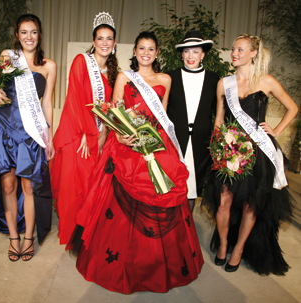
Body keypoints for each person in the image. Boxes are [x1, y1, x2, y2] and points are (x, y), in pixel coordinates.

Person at [74, 31, 204, 294]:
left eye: (151, 49)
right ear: (134, 51)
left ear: (157, 53)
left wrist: (162, 146)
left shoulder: (165, 79)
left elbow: (163, 117)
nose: (146, 52)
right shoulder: (124, 76)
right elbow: (115, 110)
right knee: (122, 205)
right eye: (141, 48)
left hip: (157, 144)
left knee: (162, 193)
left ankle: (158, 265)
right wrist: (122, 137)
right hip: (128, 144)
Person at [201, 33, 298, 275]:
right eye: (233, 49)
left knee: (250, 206)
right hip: (231, 149)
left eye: (240, 50)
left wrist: (275, 130)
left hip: (258, 152)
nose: (234, 53)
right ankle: (224, 243)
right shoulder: (224, 83)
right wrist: (218, 146)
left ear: (254, 53)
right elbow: (220, 120)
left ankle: (239, 249)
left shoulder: (266, 81)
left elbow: (292, 108)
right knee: (223, 204)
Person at [0, 14, 57, 261]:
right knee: (8, 185)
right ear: (17, 35)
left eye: (33, 32)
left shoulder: (49, 65)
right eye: (23, 32)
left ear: (39, 35)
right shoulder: (7, 57)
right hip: (4, 129)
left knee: (28, 185)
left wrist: (48, 138)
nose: (28, 37)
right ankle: (13, 237)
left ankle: (28, 236)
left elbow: (48, 104)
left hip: (30, 133)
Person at [51, 12, 119, 248]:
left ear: (114, 44)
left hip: (97, 136)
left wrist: (102, 135)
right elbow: (74, 100)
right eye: (100, 38)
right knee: (73, 185)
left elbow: (109, 111)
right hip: (77, 134)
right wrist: (85, 133)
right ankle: (71, 232)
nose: (104, 43)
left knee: (90, 185)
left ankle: (85, 231)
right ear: (93, 41)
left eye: (109, 38)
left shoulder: (112, 75)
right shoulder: (82, 61)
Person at [167, 31, 219, 211]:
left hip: (200, 143)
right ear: (181, 54)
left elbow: (218, 113)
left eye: (195, 51)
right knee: (172, 186)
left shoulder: (214, 80)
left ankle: (187, 229)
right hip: (174, 142)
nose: (191, 56)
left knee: (192, 188)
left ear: (203, 54)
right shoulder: (169, 77)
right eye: (187, 51)